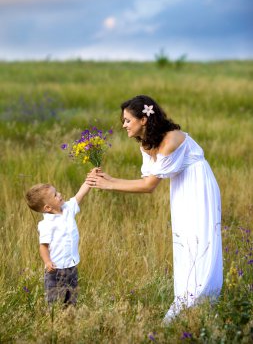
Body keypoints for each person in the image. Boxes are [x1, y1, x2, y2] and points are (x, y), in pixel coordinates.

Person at [86, 95, 223, 324]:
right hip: (181, 188)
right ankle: (187, 299)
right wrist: (108, 178)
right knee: (185, 241)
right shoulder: (146, 144)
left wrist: (108, 185)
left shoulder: (170, 140)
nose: (123, 125)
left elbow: (149, 186)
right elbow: (146, 179)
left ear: (144, 120)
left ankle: (201, 300)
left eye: (128, 120)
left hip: (198, 186)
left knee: (200, 239)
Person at [25, 173, 95, 306]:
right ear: (47, 208)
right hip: (55, 269)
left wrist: (90, 179)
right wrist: (47, 262)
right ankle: (54, 319)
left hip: (71, 266)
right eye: (55, 195)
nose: (60, 194)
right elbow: (43, 246)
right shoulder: (46, 225)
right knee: (54, 300)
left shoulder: (67, 209)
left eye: (57, 192)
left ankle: (70, 316)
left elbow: (80, 195)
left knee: (71, 298)